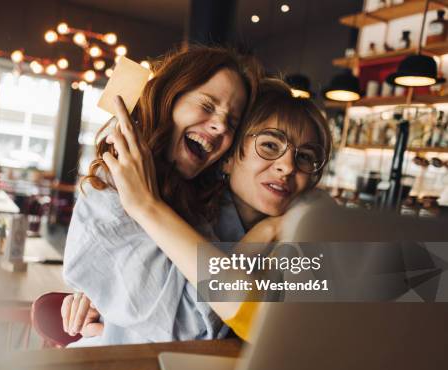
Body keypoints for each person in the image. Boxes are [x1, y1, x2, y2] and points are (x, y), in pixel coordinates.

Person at [64, 78, 333, 341]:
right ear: (227, 158)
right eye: (270, 145)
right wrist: (265, 232)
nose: (288, 166)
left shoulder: (310, 243)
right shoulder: (184, 216)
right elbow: (186, 323)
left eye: (305, 157)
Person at [62, 45, 261, 346]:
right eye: (207, 106)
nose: (221, 126)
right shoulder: (109, 183)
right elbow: (188, 328)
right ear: (168, 99)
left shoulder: (212, 198)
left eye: (232, 122)